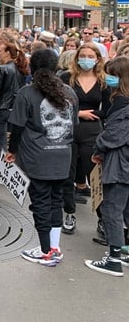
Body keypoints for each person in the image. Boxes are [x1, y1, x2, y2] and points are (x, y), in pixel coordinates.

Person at [6, 49, 78, 266]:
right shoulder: (69, 93)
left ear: (33, 67)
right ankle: (54, 247)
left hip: (36, 158)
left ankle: (45, 250)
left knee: (40, 203)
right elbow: (74, 126)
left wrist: (11, 151)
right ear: (56, 66)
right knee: (56, 201)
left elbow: (16, 128)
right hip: (63, 157)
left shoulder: (26, 93)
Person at [59, 43, 110, 236]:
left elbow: (106, 110)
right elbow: (58, 104)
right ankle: (69, 213)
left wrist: (89, 114)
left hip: (92, 131)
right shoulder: (66, 78)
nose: (86, 59)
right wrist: (78, 113)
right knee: (67, 175)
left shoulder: (103, 81)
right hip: (69, 129)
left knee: (94, 176)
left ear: (97, 59)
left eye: (90, 56)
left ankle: (102, 218)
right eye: (83, 55)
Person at [85, 56, 129, 275]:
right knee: (126, 209)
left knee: (112, 209)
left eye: (112, 74)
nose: (108, 78)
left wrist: (98, 147)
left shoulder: (122, 102)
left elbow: (114, 136)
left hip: (120, 164)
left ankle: (113, 258)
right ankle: (125, 252)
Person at [0, 40, 29, 161]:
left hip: (2, 109)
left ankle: (3, 169)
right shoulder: (21, 68)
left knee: (1, 141)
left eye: (0, 51)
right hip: (16, 109)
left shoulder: (1, 69)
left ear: (7, 53)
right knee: (13, 141)